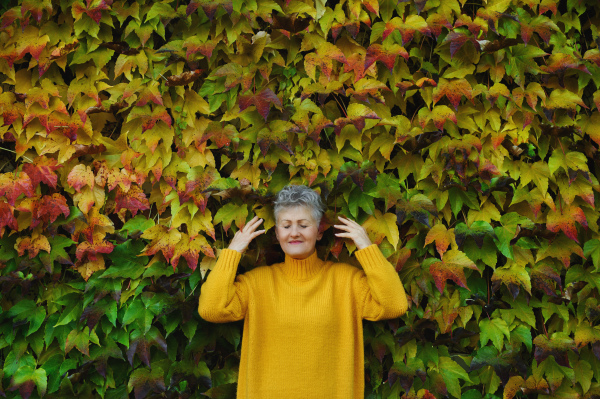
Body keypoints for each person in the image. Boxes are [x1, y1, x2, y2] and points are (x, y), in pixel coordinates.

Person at [198, 185, 408, 399]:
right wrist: (233, 252)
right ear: (277, 233)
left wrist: (366, 247)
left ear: (318, 232)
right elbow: (211, 309)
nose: (294, 233)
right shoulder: (256, 283)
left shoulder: (346, 281)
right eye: (286, 225)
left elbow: (394, 305)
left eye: (303, 225)